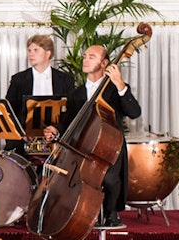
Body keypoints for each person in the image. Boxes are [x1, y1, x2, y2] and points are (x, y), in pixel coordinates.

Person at [57, 44, 143, 228]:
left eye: (92, 57)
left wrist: (120, 83)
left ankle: (111, 212)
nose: (85, 60)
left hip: (109, 146)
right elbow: (67, 122)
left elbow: (134, 112)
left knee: (110, 178)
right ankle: (83, 210)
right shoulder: (76, 93)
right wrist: (56, 130)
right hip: (82, 147)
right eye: (85, 56)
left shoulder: (114, 89)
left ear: (104, 63)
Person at [3, 34, 76, 156]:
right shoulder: (18, 80)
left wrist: (57, 130)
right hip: (24, 144)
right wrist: (22, 133)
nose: (31, 54)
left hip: (57, 144)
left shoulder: (65, 80)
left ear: (48, 54)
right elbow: (9, 111)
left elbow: (72, 112)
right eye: (29, 51)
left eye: (36, 50)